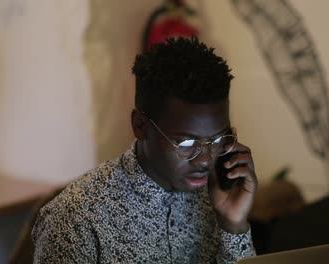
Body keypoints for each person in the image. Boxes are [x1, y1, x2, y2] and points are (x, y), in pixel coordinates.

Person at [32, 37, 258, 263]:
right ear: (140, 126)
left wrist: (233, 226)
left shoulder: (220, 196)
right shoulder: (76, 218)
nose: (206, 161)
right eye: (187, 144)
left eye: (219, 139)